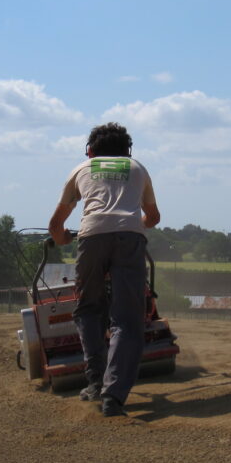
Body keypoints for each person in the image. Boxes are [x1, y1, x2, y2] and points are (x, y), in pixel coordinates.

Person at [49, 122, 160, 417]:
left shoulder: (81, 170)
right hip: (130, 239)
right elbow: (153, 217)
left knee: (88, 309)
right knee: (127, 319)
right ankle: (114, 396)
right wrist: (136, 225)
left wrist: (63, 239)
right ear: (128, 151)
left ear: (90, 151)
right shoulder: (137, 168)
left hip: (91, 237)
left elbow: (56, 225)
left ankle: (95, 382)